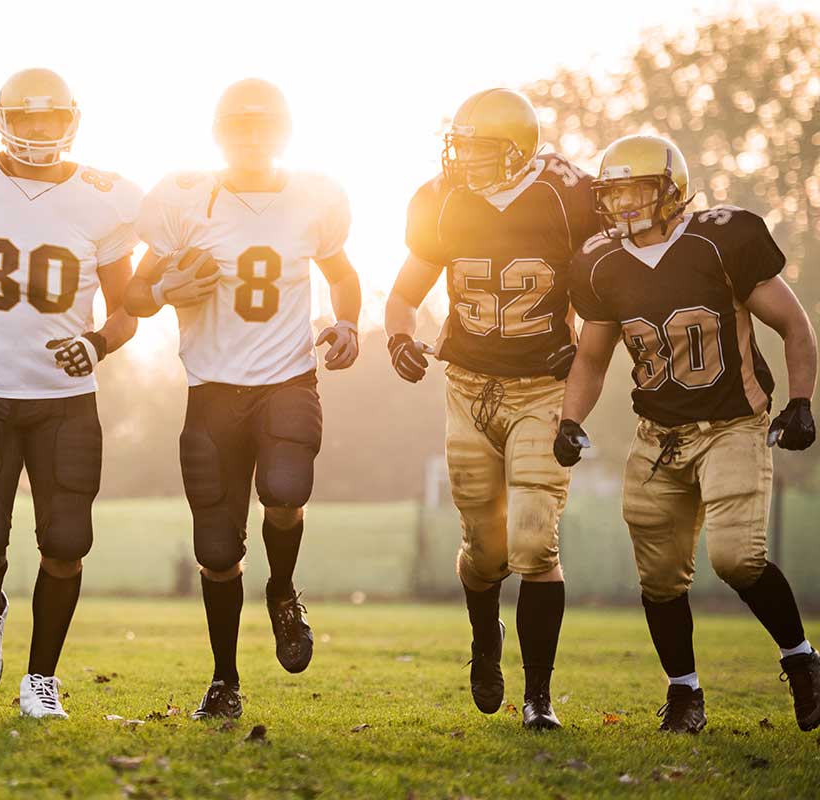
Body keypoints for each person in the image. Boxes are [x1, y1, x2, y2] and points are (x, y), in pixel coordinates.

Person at [558, 133, 819, 733]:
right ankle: (684, 692)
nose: (623, 205)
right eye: (614, 192)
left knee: (736, 558)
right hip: (657, 436)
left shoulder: (723, 238)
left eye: (637, 190)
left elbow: (794, 325)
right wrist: (570, 419)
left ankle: (802, 659)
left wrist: (801, 402)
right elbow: (593, 358)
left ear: (671, 189)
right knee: (658, 576)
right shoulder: (599, 262)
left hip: (733, 423)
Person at [0, 68, 142, 718]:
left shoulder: (104, 198)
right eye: (26, 118)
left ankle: (41, 679)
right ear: (2, 119)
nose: (39, 132)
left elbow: (127, 311)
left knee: (66, 543)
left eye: (50, 119)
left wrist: (98, 343)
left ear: (70, 121)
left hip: (65, 401)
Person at [123, 78, 360, 719]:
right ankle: (225, 679)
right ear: (222, 134)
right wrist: (169, 285)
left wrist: (346, 322)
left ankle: (282, 590)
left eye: (263, 127)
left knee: (286, 494)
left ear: (282, 134)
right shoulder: (185, 200)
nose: (252, 138)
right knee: (217, 551)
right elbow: (135, 297)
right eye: (240, 127)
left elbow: (342, 274)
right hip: (211, 391)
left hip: (286, 380)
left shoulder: (313, 197)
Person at [384, 88, 604, 729]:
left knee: (534, 543)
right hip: (468, 387)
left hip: (542, 387)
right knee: (484, 551)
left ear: (518, 150)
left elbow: (610, 296)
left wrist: (583, 359)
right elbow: (402, 293)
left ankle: (538, 696)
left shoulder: (570, 195)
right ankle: (486, 641)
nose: (465, 163)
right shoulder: (443, 198)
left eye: (479, 151)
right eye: (461, 149)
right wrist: (399, 336)